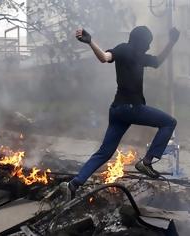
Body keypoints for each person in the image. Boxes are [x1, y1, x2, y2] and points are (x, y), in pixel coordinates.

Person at [60, 26, 180, 201]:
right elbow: (105, 57)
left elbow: (157, 61)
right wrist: (90, 42)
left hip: (117, 111)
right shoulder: (125, 49)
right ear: (142, 41)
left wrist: (171, 42)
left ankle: (74, 184)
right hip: (132, 108)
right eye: (148, 42)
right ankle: (146, 162)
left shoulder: (139, 56)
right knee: (169, 122)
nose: (148, 47)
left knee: (105, 152)